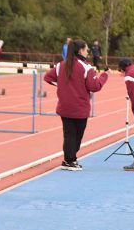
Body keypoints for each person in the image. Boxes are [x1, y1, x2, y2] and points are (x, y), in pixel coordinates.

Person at [42, 39, 110, 171]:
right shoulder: (86, 68)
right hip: (79, 107)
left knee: (69, 134)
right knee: (76, 135)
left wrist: (61, 86)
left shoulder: (61, 65)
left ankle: (68, 159)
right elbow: (95, 86)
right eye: (86, 50)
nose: (88, 53)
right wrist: (104, 76)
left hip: (65, 106)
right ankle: (70, 160)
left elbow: (47, 78)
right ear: (80, 51)